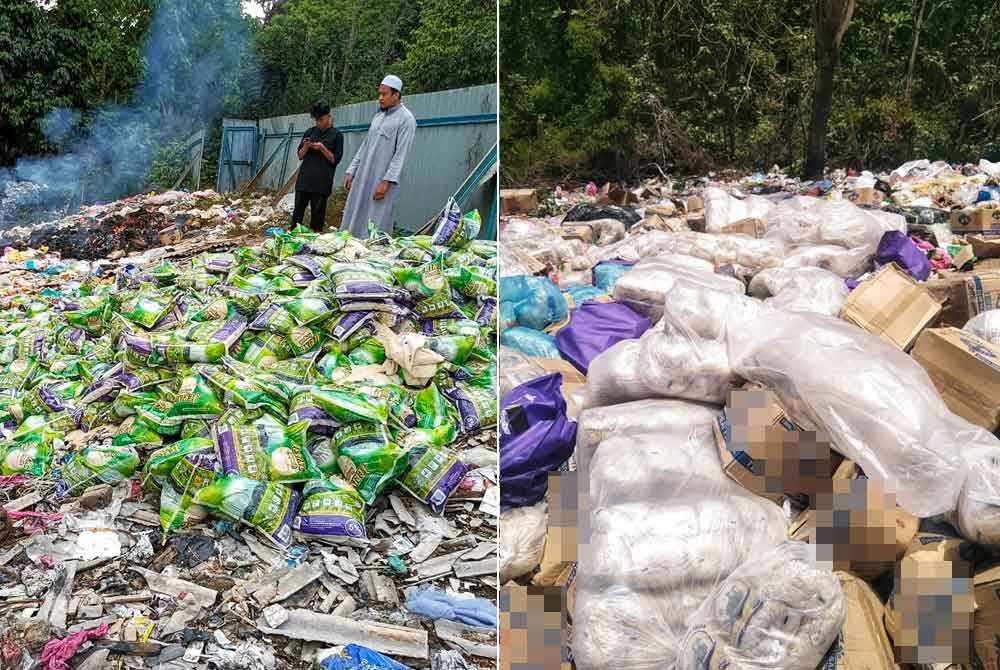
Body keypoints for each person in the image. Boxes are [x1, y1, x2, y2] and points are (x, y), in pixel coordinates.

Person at [340, 74, 417, 238]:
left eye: (384, 94)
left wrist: (385, 182)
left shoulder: (406, 119)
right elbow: (365, 146)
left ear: (396, 95)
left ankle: (369, 256)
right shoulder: (378, 117)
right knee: (354, 213)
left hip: (382, 182)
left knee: (376, 220)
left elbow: (400, 155)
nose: (380, 98)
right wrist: (351, 170)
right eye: (379, 94)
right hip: (363, 177)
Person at [291, 100, 343, 232]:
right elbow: (300, 155)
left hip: (321, 184)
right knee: (297, 217)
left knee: (317, 219)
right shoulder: (310, 132)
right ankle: (292, 240)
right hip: (304, 181)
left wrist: (322, 148)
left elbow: (334, 160)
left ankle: (313, 247)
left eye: (321, 119)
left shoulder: (337, 136)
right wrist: (306, 147)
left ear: (329, 116)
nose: (318, 123)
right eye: (316, 120)